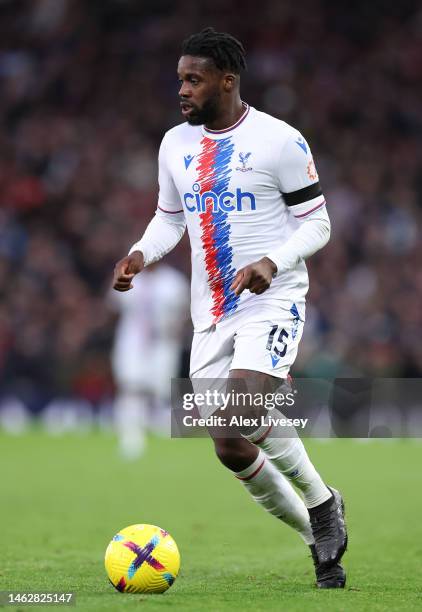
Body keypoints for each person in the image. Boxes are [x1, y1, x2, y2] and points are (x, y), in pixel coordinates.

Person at [113, 27, 347, 588]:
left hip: (272, 299)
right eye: (179, 80)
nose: (183, 90)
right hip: (210, 311)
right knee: (228, 443)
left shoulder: (280, 141)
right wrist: (141, 253)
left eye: (193, 80)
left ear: (227, 80)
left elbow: (318, 222)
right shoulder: (174, 144)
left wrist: (272, 261)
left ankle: (320, 501)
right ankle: (317, 532)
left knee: (239, 408)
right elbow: (171, 218)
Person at [110, 261, 189, 458]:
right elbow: (112, 305)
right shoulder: (127, 275)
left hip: (163, 342)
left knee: (160, 391)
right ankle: (131, 436)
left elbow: (187, 309)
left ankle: (161, 433)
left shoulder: (173, 281)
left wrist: (177, 328)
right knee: (131, 387)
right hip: (132, 342)